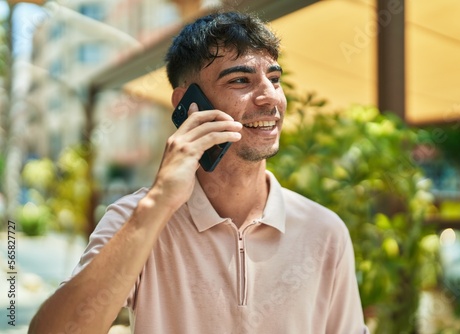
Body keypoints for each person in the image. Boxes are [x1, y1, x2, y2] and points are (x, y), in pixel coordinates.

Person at [29, 11, 368, 334]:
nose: (270, 97)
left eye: (274, 79)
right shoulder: (135, 219)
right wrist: (158, 203)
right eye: (240, 80)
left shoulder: (324, 231)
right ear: (188, 104)